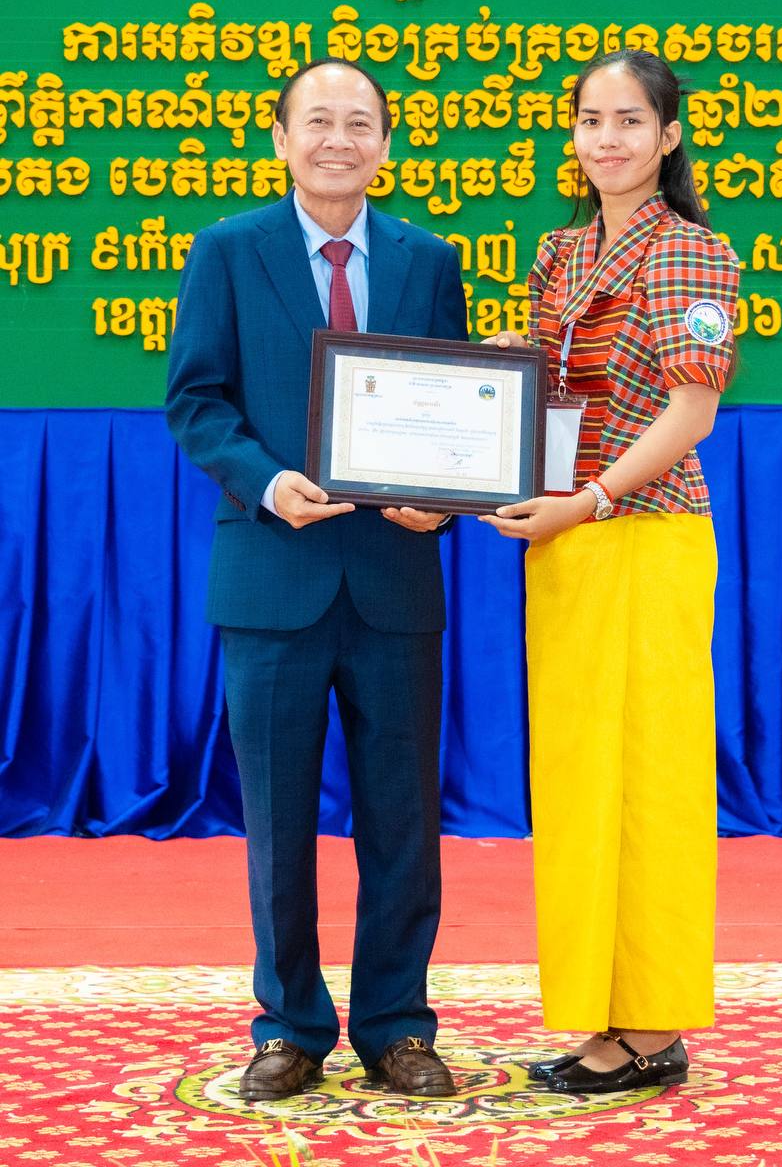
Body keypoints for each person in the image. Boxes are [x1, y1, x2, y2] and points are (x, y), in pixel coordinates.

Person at [166, 58, 467, 1101]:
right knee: (279, 822)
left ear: (386, 143)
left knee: (403, 819)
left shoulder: (430, 260)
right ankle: (288, 1025)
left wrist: (445, 500)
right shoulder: (227, 250)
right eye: (319, 121)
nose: (340, 139)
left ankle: (397, 1023)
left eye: (360, 123)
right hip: (271, 577)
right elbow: (196, 401)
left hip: (394, 582)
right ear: (282, 138)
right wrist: (265, 481)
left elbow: (455, 408)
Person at [479, 49, 739, 1094]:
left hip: (643, 535)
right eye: (591, 119)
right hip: (568, 543)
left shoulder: (691, 253)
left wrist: (590, 499)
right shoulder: (559, 251)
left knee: (652, 781)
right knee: (584, 781)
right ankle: (604, 1011)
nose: (608, 139)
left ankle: (653, 1025)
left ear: (668, 137)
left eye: (631, 120)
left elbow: (691, 412)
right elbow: (547, 384)